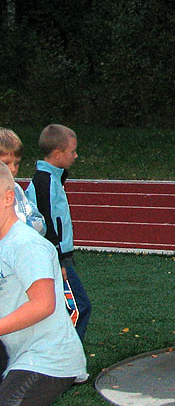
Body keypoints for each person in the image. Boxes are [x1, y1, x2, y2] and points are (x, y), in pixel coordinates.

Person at [0, 161, 87, 404]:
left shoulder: (26, 244)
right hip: (21, 354)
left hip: (48, 358)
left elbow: (43, 304)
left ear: (8, 199)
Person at [25, 125, 92, 344]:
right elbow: (45, 221)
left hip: (59, 256)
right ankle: (66, 356)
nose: (76, 155)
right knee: (79, 307)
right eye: (72, 151)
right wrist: (58, 259)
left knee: (64, 308)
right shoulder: (44, 181)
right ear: (57, 154)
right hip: (54, 257)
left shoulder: (53, 178)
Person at [0, 128, 47, 378]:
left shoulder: (16, 192)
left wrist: (21, 228)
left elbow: (38, 223)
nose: (13, 169)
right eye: (6, 163)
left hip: (13, 274)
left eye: (16, 163)